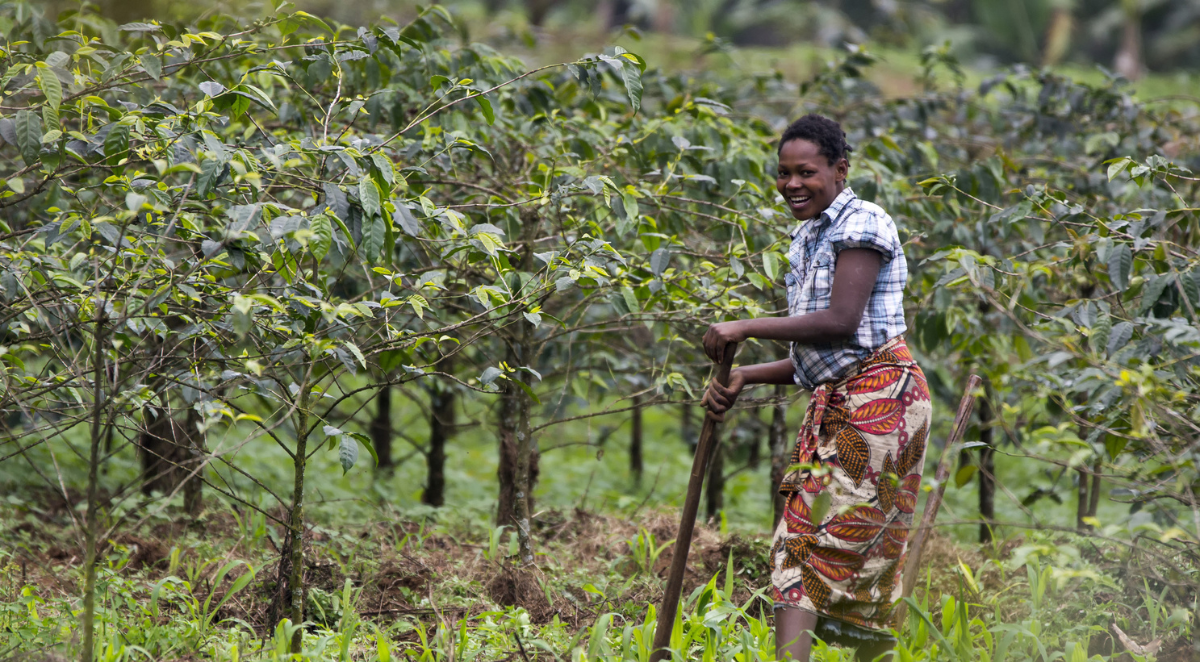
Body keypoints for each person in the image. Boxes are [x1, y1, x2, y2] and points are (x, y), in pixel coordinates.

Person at [700, 114, 931, 662]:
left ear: (839, 170)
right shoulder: (807, 236)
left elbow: (842, 322)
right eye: (783, 173)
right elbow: (820, 355)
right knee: (831, 544)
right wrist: (745, 375)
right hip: (839, 398)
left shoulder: (864, 222)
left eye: (806, 172)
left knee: (816, 544)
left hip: (882, 399)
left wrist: (746, 326)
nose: (792, 184)